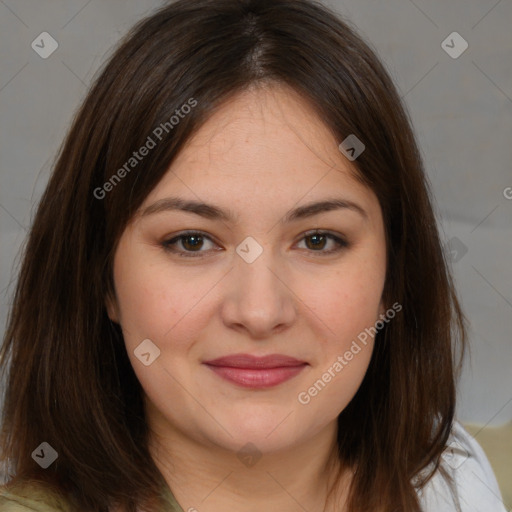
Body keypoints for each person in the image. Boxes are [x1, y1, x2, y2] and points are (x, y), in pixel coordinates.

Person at [0, 0, 507, 511]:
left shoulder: (467, 485)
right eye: (192, 241)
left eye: (318, 240)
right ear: (102, 279)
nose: (260, 312)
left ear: (394, 277)